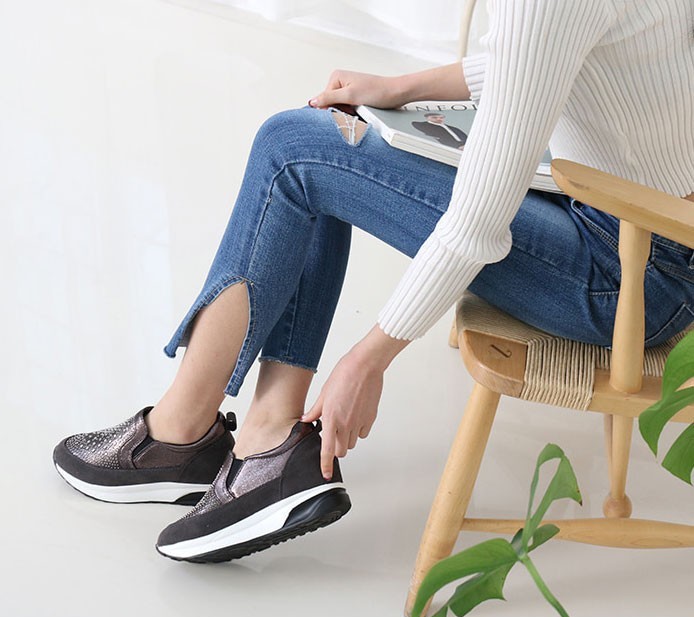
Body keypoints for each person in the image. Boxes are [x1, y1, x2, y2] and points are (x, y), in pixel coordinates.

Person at [53, 0, 693, 563]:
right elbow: (537, 59)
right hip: (631, 218)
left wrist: (370, 358)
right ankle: (263, 437)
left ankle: (182, 435)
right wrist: (400, 88)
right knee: (324, 143)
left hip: (634, 269)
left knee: (293, 150)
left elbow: (478, 225)